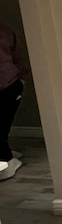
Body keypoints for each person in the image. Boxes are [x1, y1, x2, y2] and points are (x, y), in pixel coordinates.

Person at [0, 22, 27, 179]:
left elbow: (18, 57)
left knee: (2, 124)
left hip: (9, 85)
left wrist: (22, 79)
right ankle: (5, 152)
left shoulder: (6, 31)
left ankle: (8, 160)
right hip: (9, 82)